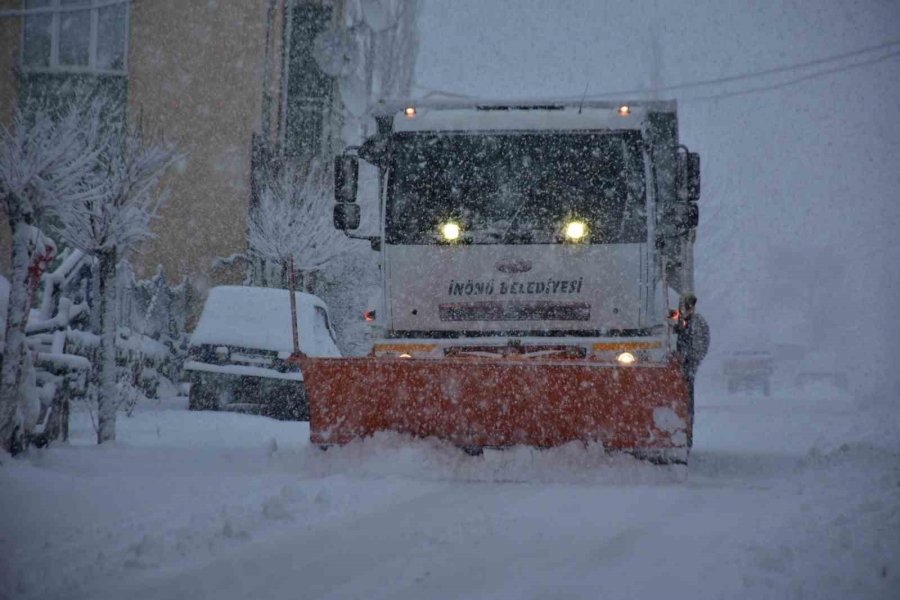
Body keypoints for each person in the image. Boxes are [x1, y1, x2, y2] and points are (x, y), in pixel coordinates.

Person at [671, 293, 710, 446]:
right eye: (684, 306)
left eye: (689, 306)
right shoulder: (673, 321)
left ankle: (686, 433)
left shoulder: (698, 323)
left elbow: (702, 344)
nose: (686, 309)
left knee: (686, 399)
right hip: (672, 368)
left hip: (686, 369)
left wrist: (691, 361)